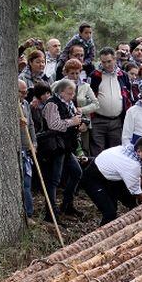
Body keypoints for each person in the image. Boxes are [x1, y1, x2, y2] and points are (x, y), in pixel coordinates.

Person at [81, 135, 142, 225]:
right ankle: (102, 236)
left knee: (126, 202)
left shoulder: (131, 151)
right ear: (139, 152)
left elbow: (138, 175)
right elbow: (136, 192)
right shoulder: (131, 165)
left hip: (109, 176)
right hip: (93, 178)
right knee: (110, 212)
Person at [40, 79, 83, 223]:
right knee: (53, 181)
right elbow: (54, 125)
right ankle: (51, 214)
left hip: (66, 146)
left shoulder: (68, 103)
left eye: (73, 93)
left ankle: (67, 204)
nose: (72, 96)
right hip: (54, 147)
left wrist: (79, 123)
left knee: (77, 172)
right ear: (61, 92)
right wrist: (73, 122)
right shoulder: (52, 104)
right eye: (70, 93)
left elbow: (69, 122)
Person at [89, 47, 131, 156]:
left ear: (115, 59)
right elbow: (87, 98)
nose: (107, 65)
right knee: (97, 155)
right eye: (103, 62)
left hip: (117, 122)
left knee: (116, 154)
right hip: (98, 121)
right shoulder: (95, 76)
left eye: (109, 61)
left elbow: (128, 97)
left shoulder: (123, 76)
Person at [18, 80, 37, 224]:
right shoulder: (10, 106)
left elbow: (30, 125)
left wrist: (34, 144)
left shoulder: (25, 104)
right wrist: (16, 122)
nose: (25, 95)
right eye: (21, 92)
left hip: (26, 149)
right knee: (21, 183)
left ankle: (29, 214)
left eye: (26, 92)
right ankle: (24, 214)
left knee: (27, 183)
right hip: (15, 150)